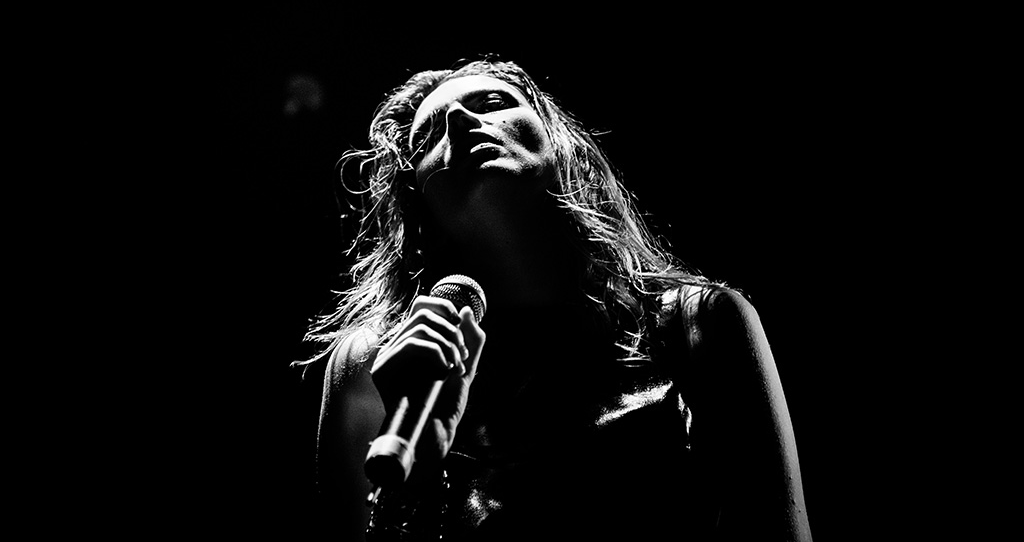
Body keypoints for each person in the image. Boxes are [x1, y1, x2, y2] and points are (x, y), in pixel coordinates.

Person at [298, 57, 812, 541]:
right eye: (428, 136)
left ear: (562, 146)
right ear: (417, 201)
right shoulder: (373, 363)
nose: (458, 119)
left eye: (494, 103)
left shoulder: (700, 321)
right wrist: (414, 484)